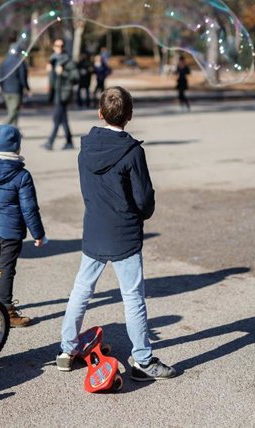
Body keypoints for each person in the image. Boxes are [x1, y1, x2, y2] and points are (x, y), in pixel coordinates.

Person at [56, 86, 177, 381]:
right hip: (124, 233)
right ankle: (143, 360)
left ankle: (67, 349)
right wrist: (143, 213)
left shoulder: (86, 147)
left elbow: (88, 189)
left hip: (95, 229)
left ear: (100, 113)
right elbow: (144, 198)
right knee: (133, 297)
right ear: (130, 115)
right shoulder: (133, 151)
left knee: (81, 291)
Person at [0, 124, 46, 327]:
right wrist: (38, 233)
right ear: (17, 147)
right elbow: (29, 209)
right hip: (11, 231)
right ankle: (7, 310)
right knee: (7, 269)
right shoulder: (22, 175)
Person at [43, 39, 78, 150]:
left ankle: (50, 141)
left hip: (63, 93)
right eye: (57, 45)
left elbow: (76, 77)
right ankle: (69, 142)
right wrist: (49, 70)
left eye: (61, 45)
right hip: (55, 92)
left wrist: (63, 72)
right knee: (63, 119)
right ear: (53, 47)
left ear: (63, 47)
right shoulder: (52, 59)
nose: (59, 47)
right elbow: (52, 78)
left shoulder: (68, 60)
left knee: (57, 118)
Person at [0, 45, 31, 126]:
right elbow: (23, 77)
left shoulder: (4, 62)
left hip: (6, 91)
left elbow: (0, 77)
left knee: (11, 110)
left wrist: (2, 88)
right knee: (13, 111)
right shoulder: (20, 62)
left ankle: (15, 130)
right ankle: (1, 129)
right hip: (16, 91)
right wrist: (27, 88)